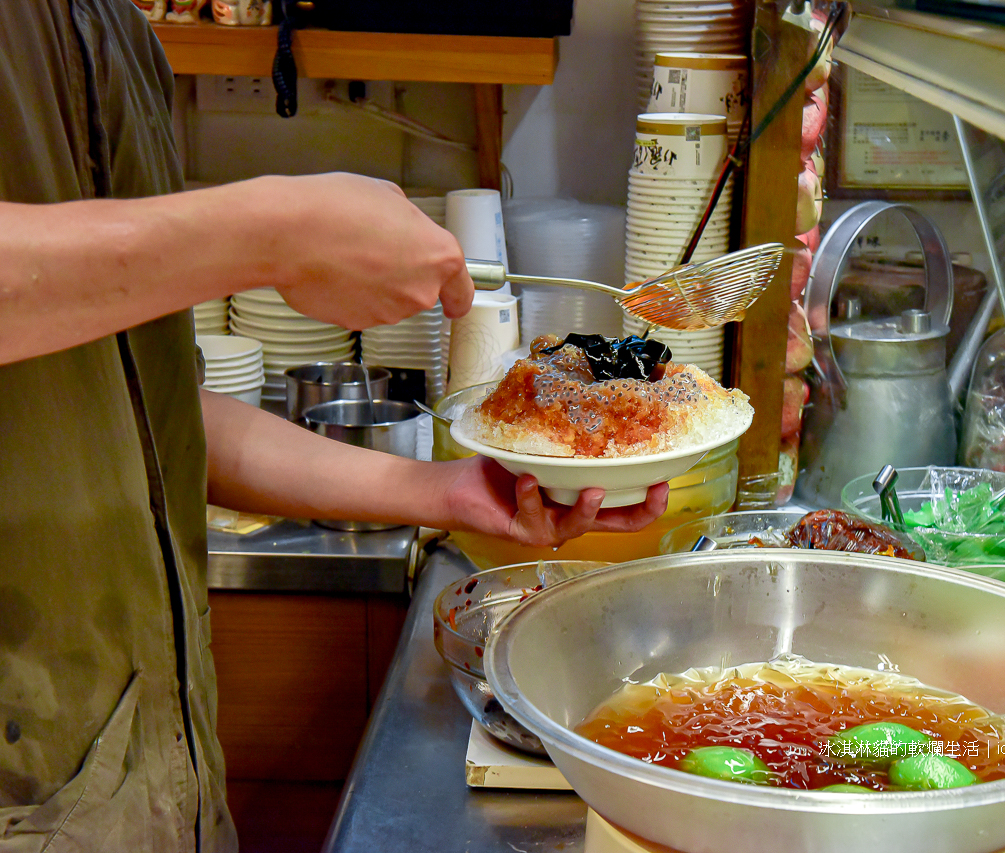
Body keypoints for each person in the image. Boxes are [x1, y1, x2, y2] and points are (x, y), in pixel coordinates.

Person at [0, 3, 668, 851]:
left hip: (143, 784)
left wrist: (441, 489)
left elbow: (146, 415)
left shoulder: (110, 31)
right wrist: (274, 234)